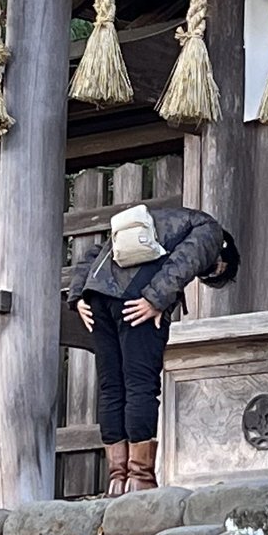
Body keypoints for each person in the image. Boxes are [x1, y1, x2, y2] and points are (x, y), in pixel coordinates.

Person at [71, 204, 239, 493]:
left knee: (112, 387)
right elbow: (185, 260)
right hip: (137, 301)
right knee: (140, 385)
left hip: (97, 298)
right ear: (223, 255)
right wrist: (157, 298)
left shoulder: (154, 222)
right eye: (215, 272)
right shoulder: (210, 231)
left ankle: (117, 480)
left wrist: (78, 295)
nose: (208, 274)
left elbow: (95, 251)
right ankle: (140, 479)